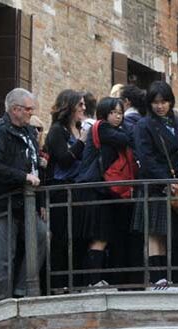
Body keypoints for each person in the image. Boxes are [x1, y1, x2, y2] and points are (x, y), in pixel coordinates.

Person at [0, 87, 48, 298]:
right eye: (28, 109)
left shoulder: (29, 131)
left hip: (27, 202)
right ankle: (0, 302)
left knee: (42, 235)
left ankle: (23, 288)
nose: (31, 113)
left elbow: (34, 166)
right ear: (15, 109)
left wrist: (40, 202)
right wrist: (22, 176)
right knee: (3, 255)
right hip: (4, 202)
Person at [132, 81, 178, 284]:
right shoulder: (144, 125)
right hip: (155, 186)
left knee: (173, 234)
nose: (160, 106)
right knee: (155, 233)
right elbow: (145, 158)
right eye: (156, 102)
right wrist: (165, 180)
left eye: (164, 101)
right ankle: (158, 279)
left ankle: (173, 278)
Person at [75, 97, 132, 285]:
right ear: (104, 113)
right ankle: (93, 282)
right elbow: (125, 138)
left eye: (120, 113)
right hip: (95, 190)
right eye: (113, 113)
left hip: (101, 190)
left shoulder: (108, 129)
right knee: (99, 238)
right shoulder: (102, 128)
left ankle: (94, 281)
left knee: (103, 237)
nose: (118, 117)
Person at [43, 89, 86, 289]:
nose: (84, 109)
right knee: (61, 238)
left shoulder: (78, 129)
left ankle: (77, 282)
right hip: (60, 191)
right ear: (69, 107)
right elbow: (64, 159)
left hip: (78, 191)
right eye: (80, 105)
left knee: (79, 237)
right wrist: (82, 142)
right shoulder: (57, 131)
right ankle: (58, 284)